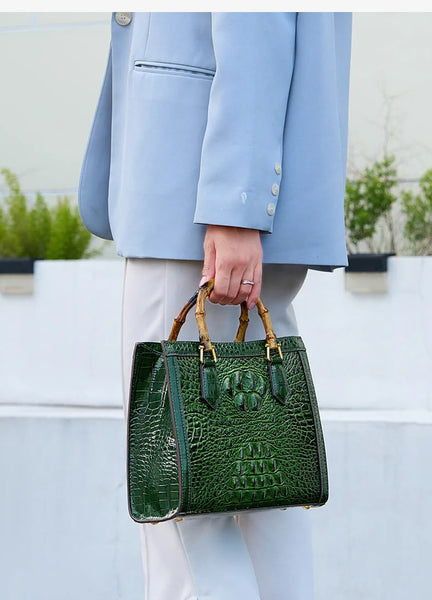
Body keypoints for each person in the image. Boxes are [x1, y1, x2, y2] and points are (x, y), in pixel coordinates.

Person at [78, 11, 352, 600]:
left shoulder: (221, 210)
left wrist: (235, 205)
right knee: (266, 498)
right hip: (226, 204)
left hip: (194, 203)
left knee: (180, 499)